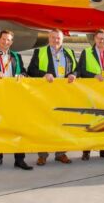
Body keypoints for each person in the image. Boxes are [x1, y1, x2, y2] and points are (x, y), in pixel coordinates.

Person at [28, 28, 77, 166]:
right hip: (46, 95)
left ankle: (61, 153)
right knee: (44, 125)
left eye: (58, 38)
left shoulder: (69, 52)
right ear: (49, 38)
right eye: (53, 37)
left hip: (64, 94)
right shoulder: (40, 52)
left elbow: (76, 69)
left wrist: (73, 74)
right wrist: (44, 74)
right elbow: (31, 70)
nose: (56, 40)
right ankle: (42, 155)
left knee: (62, 124)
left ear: (62, 39)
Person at [0, 29, 33, 170]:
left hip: (15, 97)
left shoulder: (16, 56)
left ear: (12, 42)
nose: (6, 42)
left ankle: (19, 160)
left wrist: (23, 75)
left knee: (18, 129)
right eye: (3, 39)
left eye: (8, 40)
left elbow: (24, 71)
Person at [77, 29, 104, 161]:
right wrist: (94, 75)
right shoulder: (87, 52)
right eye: (99, 38)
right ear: (94, 39)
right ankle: (86, 151)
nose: (102, 41)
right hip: (91, 92)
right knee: (89, 122)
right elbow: (80, 70)